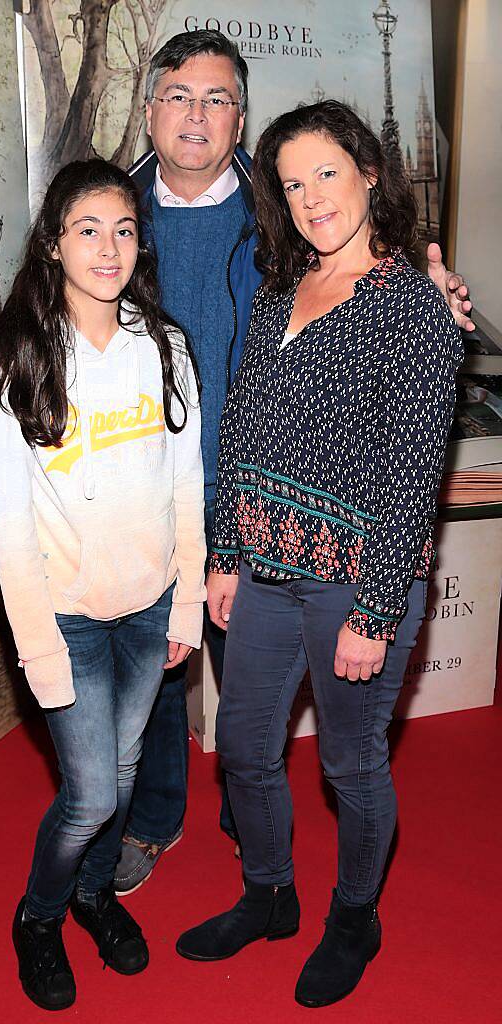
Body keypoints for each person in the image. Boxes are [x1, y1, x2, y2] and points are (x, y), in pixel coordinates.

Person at [0, 30, 474, 896]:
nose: (196, 114)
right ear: (151, 109)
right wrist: (5, 338)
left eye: (216, 98)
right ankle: (158, 818)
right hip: (142, 498)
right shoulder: (106, 205)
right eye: (178, 95)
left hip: (256, 504)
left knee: (248, 689)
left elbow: (364, 285)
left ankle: (256, 833)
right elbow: (45, 293)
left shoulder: (281, 210)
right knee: (161, 673)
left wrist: (433, 295)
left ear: (240, 114)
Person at [176, 101, 464, 1009]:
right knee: (245, 748)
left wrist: (376, 615)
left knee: (351, 765)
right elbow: (246, 428)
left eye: (326, 174)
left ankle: (355, 916)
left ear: (370, 172)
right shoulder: (277, 288)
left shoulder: (415, 307)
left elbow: (413, 472)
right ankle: (269, 894)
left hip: (355, 584)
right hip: (263, 572)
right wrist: (226, 553)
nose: (310, 199)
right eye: (292, 185)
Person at [0, 159, 205, 1011]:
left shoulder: (165, 345)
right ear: (52, 243)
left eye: (123, 229)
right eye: (86, 229)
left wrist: (184, 602)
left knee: (129, 763)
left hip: (150, 608)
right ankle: (40, 916)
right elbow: (8, 521)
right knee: (87, 797)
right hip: (66, 619)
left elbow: (186, 483)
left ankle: (94, 894)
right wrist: (36, 649)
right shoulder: (17, 357)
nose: (107, 248)